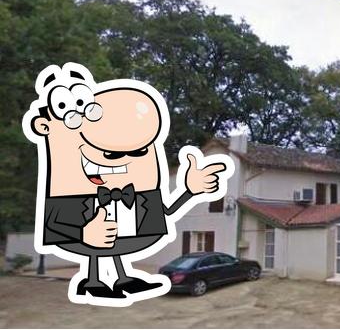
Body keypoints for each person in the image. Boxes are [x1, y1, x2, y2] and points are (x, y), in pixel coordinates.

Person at [22, 62, 233, 306]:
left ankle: (122, 278)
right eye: (108, 152)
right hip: (88, 232)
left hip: (129, 233)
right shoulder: (69, 196)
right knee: (98, 243)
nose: (120, 158)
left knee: (114, 243)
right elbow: (56, 223)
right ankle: (93, 281)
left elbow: (166, 212)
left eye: (139, 151)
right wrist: (83, 232)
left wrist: (189, 190)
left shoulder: (140, 195)